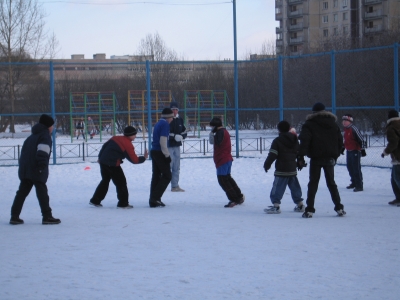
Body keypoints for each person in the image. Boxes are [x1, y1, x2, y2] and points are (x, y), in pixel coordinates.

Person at [10, 114, 61, 225]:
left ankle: (14, 216)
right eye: (52, 125)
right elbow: (42, 152)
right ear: (48, 126)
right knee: (42, 193)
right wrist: (42, 166)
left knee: (21, 193)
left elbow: (24, 154)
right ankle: (47, 216)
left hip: (26, 170)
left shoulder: (31, 137)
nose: (53, 128)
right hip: (37, 169)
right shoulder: (44, 136)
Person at [298, 102, 346, 218]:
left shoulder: (309, 124)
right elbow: (340, 141)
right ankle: (339, 207)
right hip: (329, 157)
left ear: (313, 112)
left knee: (313, 183)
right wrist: (335, 155)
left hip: (316, 157)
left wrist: (300, 156)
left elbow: (305, 141)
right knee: (331, 183)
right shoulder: (333, 124)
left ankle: (309, 209)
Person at [89, 126, 148, 208]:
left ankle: (95, 200)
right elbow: (134, 160)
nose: (135, 136)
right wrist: (144, 158)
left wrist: (100, 157)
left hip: (103, 162)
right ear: (130, 135)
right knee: (121, 183)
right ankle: (123, 203)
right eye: (134, 135)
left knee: (105, 181)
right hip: (112, 164)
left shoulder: (115, 138)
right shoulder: (127, 144)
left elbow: (104, 146)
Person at [263, 120, 304, 214]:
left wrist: (267, 164)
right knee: (295, 187)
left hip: (281, 169)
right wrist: (300, 162)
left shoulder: (277, 141)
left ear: (279, 130)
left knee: (278, 187)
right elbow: (299, 153)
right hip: (292, 168)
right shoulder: (295, 140)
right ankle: (300, 204)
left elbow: (273, 154)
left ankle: (276, 206)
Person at [209, 117, 245, 208]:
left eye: (212, 127)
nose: (211, 128)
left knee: (223, 180)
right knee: (228, 178)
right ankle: (238, 196)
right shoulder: (224, 131)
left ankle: (233, 199)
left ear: (215, 126)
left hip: (222, 159)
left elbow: (214, 142)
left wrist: (212, 134)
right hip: (226, 159)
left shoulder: (220, 133)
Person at [149, 108, 174, 207]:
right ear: (168, 117)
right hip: (160, 152)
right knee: (167, 176)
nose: (172, 119)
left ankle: (154, 199)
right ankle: (155, 197)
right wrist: (167, 155)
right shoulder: (165, 125)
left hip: (154, 151)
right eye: (172, 117)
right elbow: (163, 141)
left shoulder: (158, 123)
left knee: (156, 175)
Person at [342, 114, 366, 192]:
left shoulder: (353, 129)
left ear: (350, 121)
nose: (344, 122)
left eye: (346, 121)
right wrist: (343, 148)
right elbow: (346, 140)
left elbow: (361, 139)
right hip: (349, 150)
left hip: (355, 150)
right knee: (350, 167)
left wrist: (362, 149)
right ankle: (354, 182)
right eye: (343, 121)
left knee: (356, 168)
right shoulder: (346, 130)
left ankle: (359, 185)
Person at [381, 110, 400, 206]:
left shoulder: (391, 127)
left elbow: (393, 143)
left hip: (398, 156)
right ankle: (398, 198)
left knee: (397, 178)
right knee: (394, 178)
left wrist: (386, 152)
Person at [168, 101, 187, 192]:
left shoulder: (180, 119)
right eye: (173, 109)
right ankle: (162, 184)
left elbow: (184, 131)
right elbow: (165, 134)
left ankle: (175, 185)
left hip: (177, 146)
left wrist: (182, 137)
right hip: (168, 146)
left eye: (176, 109)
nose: (175, 111)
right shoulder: (167, 120)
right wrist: (174, 136)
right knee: (168, 165)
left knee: (176, 166)